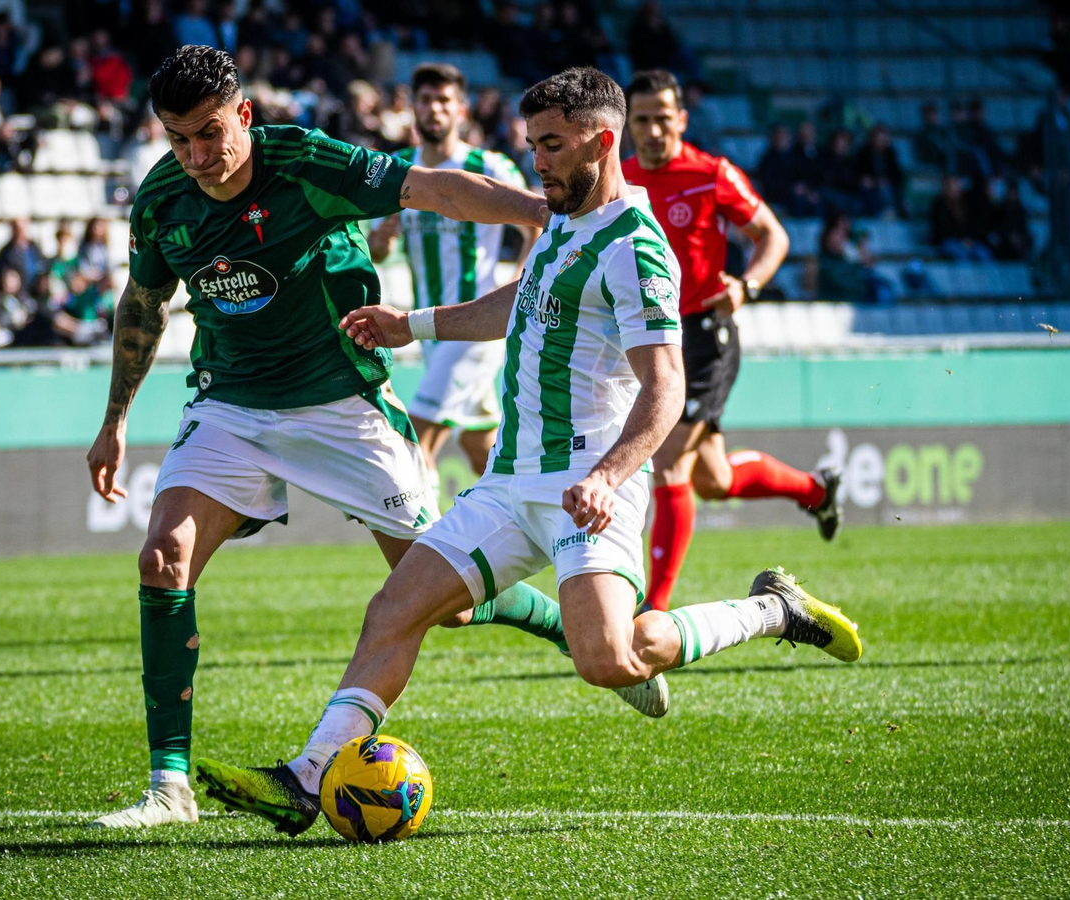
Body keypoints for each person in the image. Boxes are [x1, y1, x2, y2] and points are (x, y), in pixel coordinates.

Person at [190, 68, 863, 837]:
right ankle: (306, 780)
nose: (536, 163)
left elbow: (666, 390)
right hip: (511, 484)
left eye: (551, 145)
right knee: (395, 610)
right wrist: (414, 324)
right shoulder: (560, 221)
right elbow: (522, 299)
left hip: (586, 485)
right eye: (530, 144)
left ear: (601, 142)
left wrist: (611, 476)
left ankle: (774, 608)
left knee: (612, 659)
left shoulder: (637, 248)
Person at [85, 46, 655, 831]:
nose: (196, 156)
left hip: (344, 405)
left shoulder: (307, 161)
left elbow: (433, 190)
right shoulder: (161, 200)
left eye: (209, 133)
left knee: (440, 606)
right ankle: (168, 786)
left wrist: (537, 212)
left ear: (244, 115)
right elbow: (142, 305)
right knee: (162, 557)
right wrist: (114, 420)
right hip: (232, 407)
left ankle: (571, 626)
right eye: (177, 139)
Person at [620, 69, 841, 613]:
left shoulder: (710, 173)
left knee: (669, 459)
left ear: (682, 119)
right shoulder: (618, 179)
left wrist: (748, 285)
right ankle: (816, 490)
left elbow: (773, 235)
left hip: (704, 337)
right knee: (713, 480)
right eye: (641, 121)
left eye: (662, 120)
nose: (652, 132)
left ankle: (654, 610)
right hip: (648, 340)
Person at [367, 63, 538, 481]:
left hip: (476, 327)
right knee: (482, 451)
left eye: (444, 100)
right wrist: (384, 237)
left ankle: (427, 547)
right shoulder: (398, 171)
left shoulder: (490, 166)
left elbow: (537, 223)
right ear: (413, 110)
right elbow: (373, 247)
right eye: (425, 100)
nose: (434, 109)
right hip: (427, 328)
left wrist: (521, 282)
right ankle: (525, 533)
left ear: (462, 110)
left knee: (416, 444)